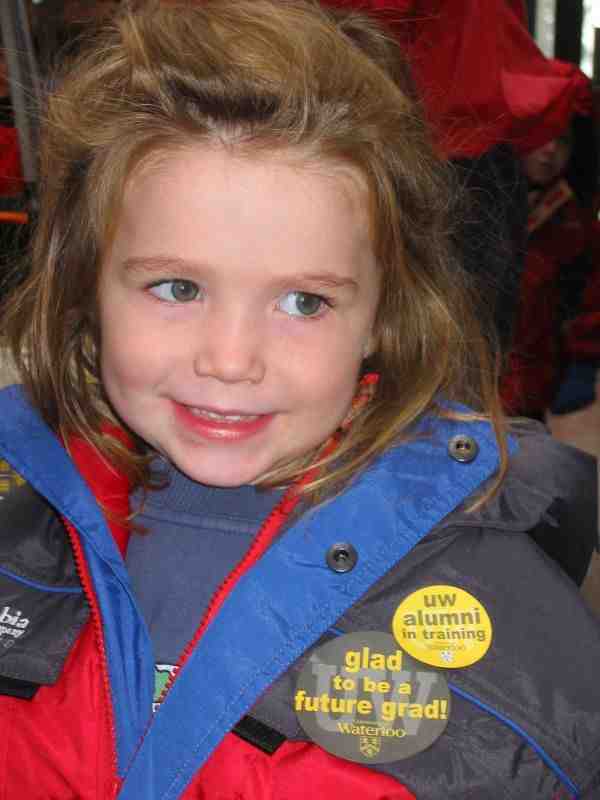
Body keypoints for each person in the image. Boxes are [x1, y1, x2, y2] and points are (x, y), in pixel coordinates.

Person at [0, 2, 598, 798]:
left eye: (303, 303)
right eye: (177, 288)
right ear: (85, 285)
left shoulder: (513, 616)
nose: (231, 360)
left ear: (384, 316)